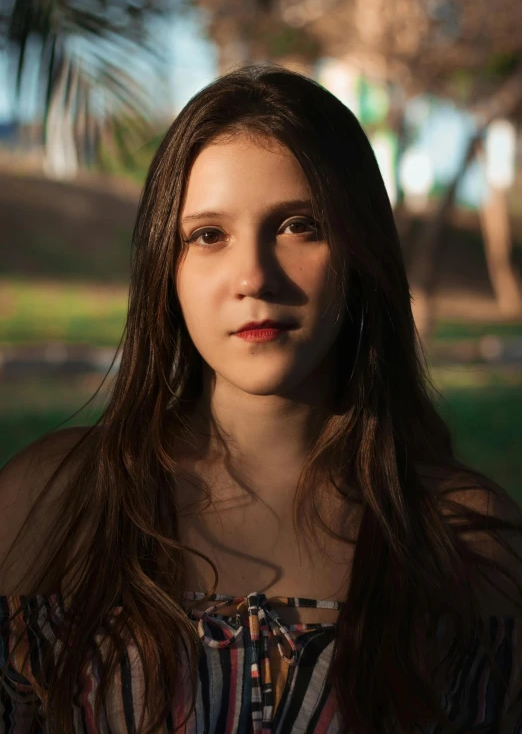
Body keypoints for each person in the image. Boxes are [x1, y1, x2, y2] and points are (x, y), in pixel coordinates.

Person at [1, 63, 522, 734]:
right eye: (209, 235)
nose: (253, 275)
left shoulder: (462, 536)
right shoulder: (53, 501)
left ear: (359, 252)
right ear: (169, 267)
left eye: (299, 225)